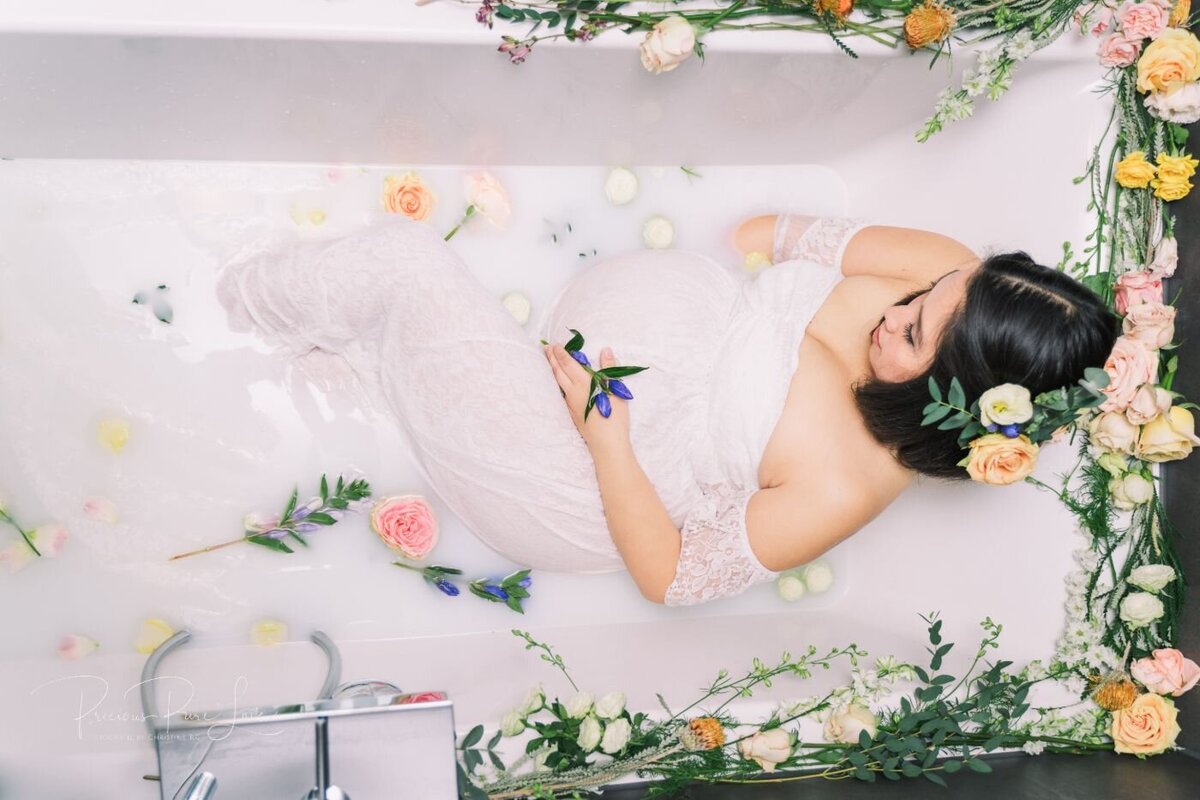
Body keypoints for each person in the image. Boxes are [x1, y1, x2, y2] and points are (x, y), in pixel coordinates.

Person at [216, 212, 1120, 606]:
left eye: (914, 335)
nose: (895, 309)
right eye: (930, 290)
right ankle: (337, 344)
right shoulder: (945, 271)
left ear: (942, 402)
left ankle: (227, 309)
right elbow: (768, 233)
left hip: (577, 476)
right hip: (585, 361)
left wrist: (609, 439)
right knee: (401, 294)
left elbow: (668, 576)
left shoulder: (846, 483)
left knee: (406, 262)